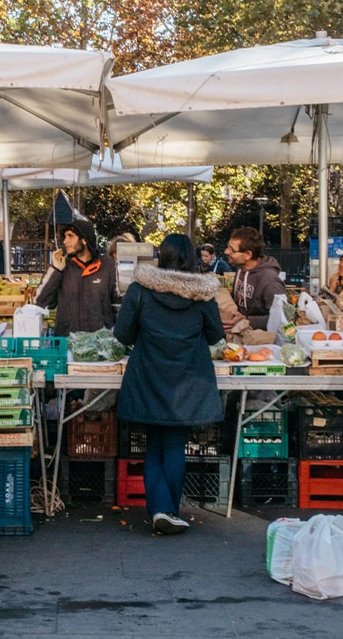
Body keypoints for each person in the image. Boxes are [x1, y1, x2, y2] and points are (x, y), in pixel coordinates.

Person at [114, 234, 224, 535]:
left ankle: (161, 510)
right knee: (175, 445)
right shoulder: (202, 294)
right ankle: (167, 510)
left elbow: (122, 334)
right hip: (188, 379)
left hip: (149, 375)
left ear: (160, 256)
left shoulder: (140, 289)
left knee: (153, 446)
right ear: (191, 258)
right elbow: (216, 336)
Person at [35, 219, 118, 336]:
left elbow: (118, 304)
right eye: (65, 236)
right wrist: (56, 269)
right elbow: (39, 301)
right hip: (67, 342)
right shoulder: (62, 266)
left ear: (84, 240)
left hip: (100, 345)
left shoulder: (108, 266)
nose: (65, 241)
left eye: (70, 236)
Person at [221, 227, 286, 331]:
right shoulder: (241, 269)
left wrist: (247, 320)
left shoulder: (270, 280)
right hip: (240, 335)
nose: (226, 251)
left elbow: (282, 318)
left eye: (231, 250)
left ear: (248, 254)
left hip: (261, 342)